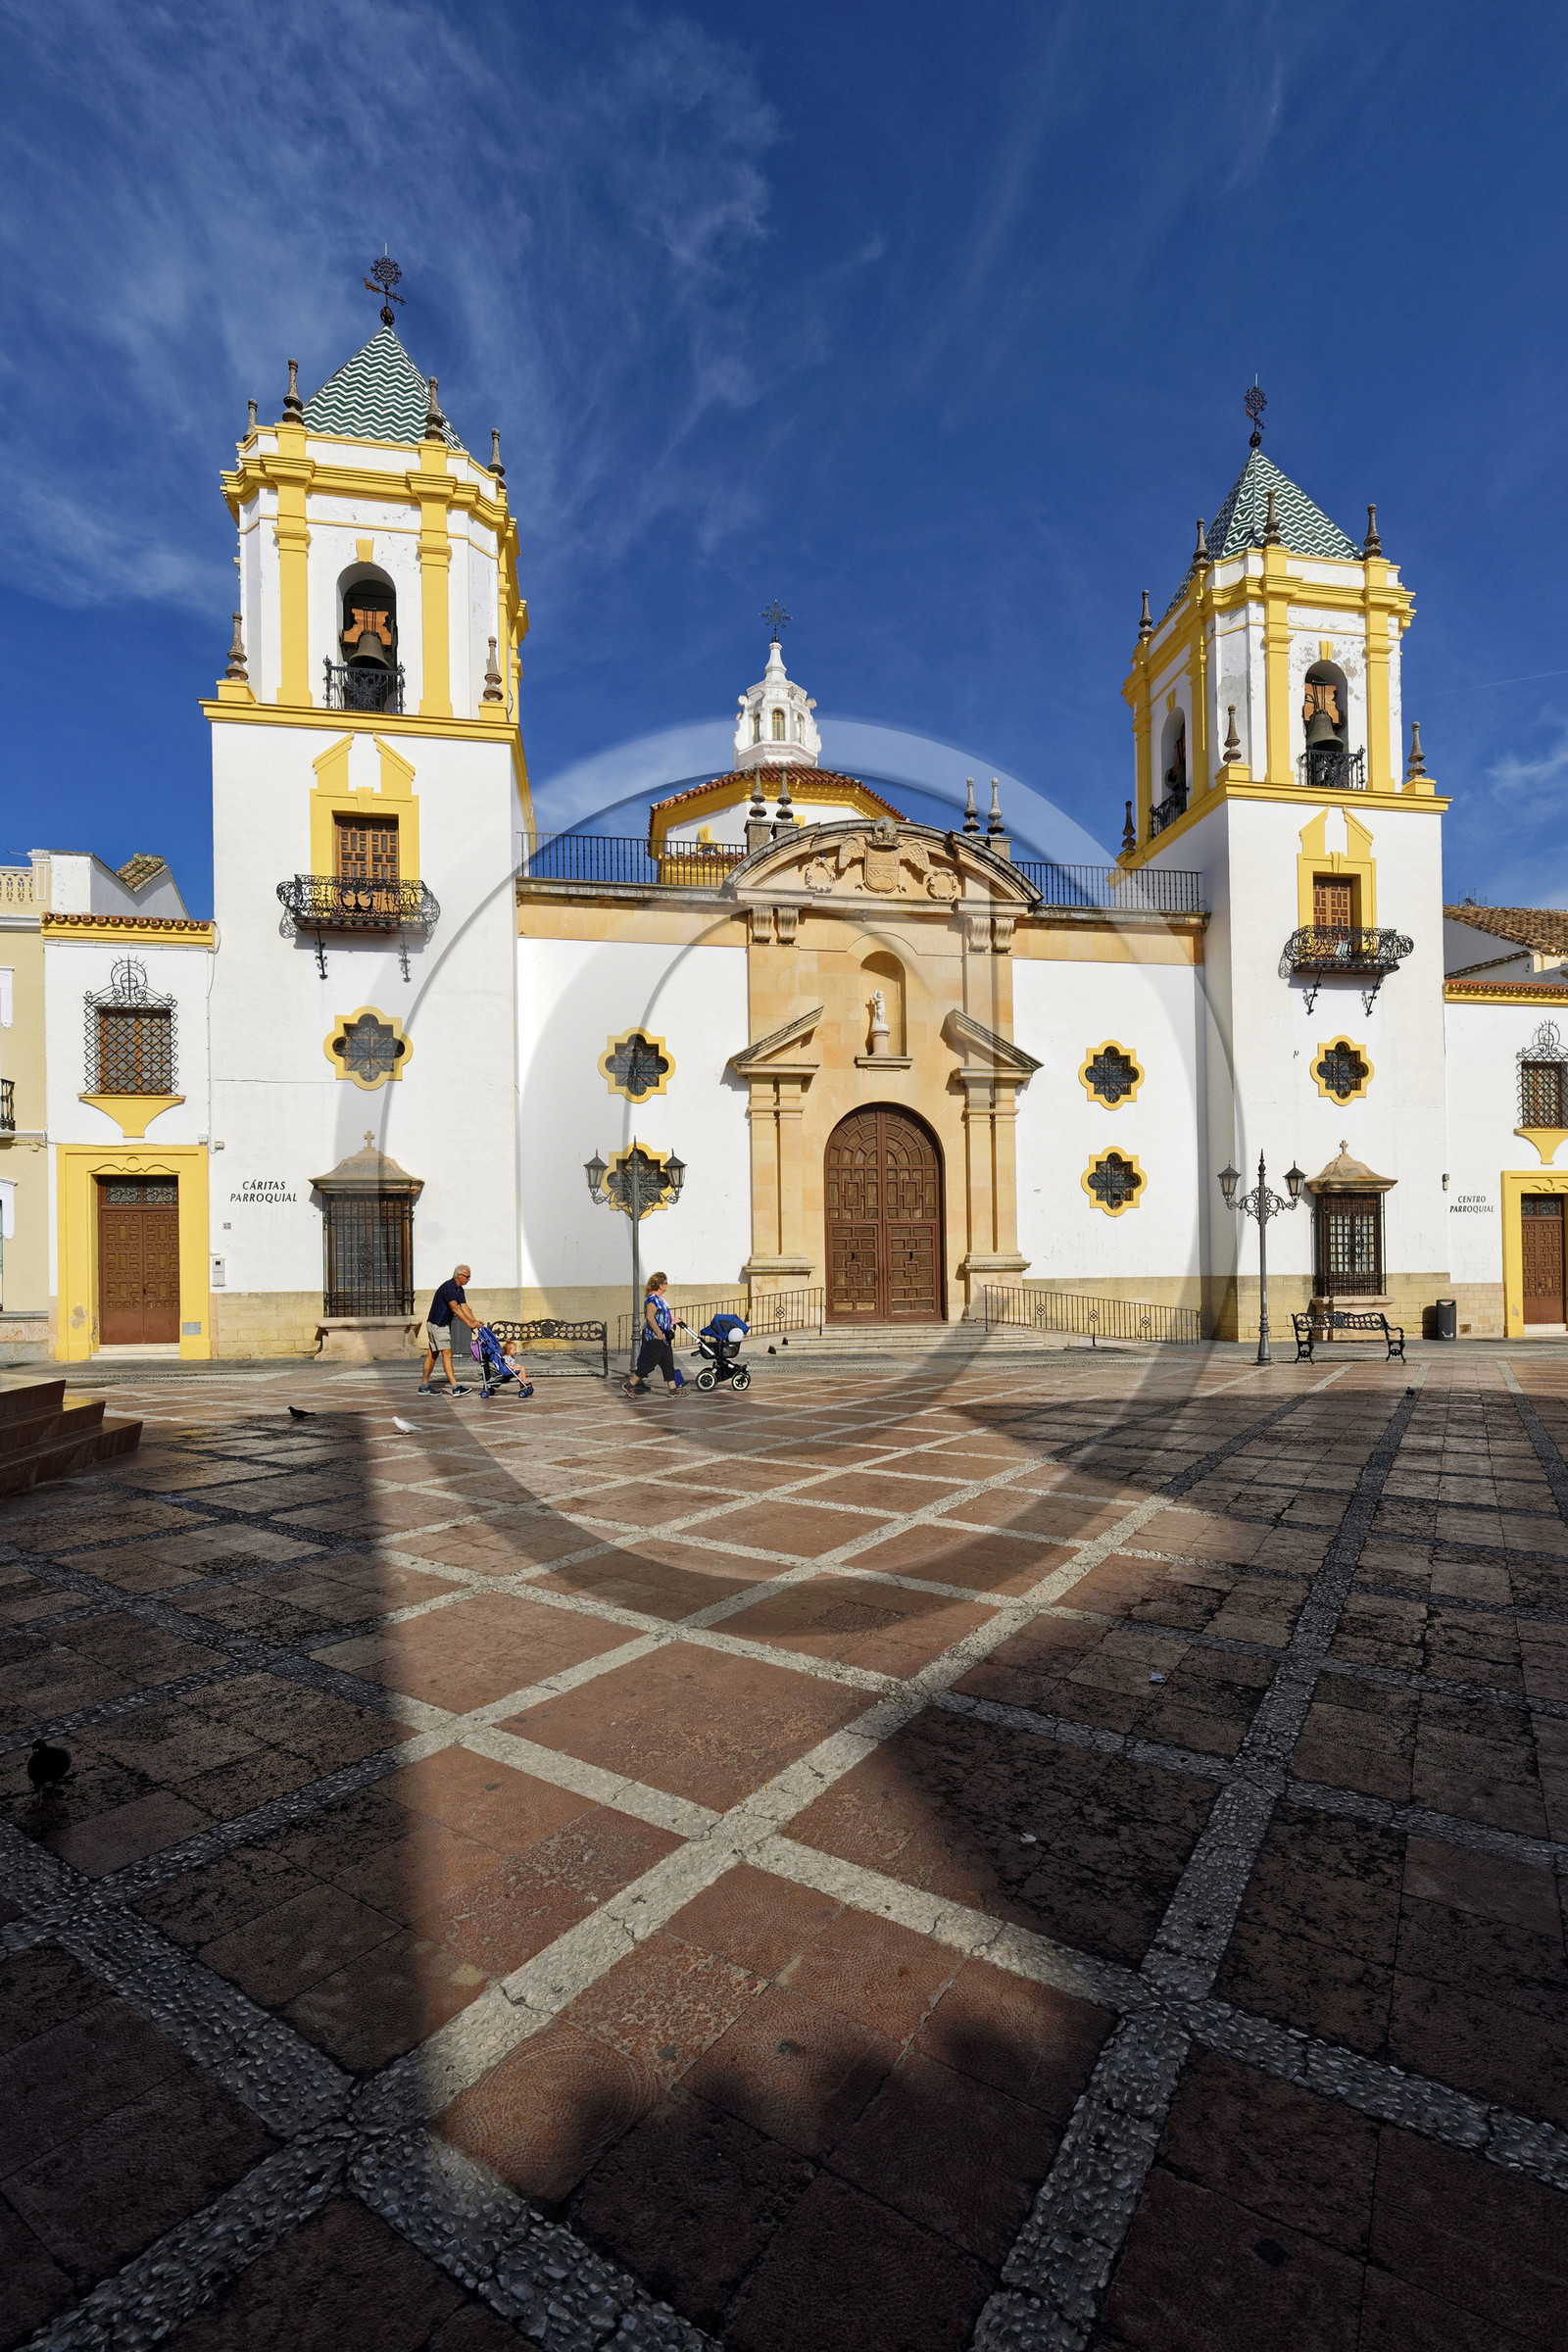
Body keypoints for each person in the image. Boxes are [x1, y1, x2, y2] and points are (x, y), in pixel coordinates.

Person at [623, 1272, 688, 1397]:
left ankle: (673, 1390)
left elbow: (660, 1318)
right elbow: (650, 1317)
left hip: (664, 1337)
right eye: (666, 1283)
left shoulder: (660, 1299)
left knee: (668, 1363)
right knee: (651, 1363)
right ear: (660, 1285)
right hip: (654, 1337)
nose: (667, 1285)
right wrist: (658, 1333)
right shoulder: (652, 1299)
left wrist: (672, 1321)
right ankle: (629, 1385)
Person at [418, 1263, 480, 1395]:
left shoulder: (459, 1289)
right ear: (459, 1275)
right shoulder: (449, 1287)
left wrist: (475, 1322)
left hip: (441, 1325)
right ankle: (455, 1387)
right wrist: (469, 1324)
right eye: (467, 1277)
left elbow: (464, 1307)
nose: (469, 1279)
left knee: (433, 1355)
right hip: (437, 1325)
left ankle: (424, 1386)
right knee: (447, 1354)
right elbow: (455, 1308)